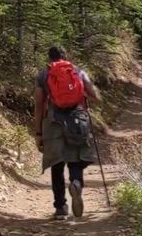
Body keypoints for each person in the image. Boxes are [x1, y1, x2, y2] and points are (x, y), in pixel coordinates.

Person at [34, 47, 100, 220]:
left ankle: (61, 207)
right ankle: (76, 182)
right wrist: (85, 94)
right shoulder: (78, 71)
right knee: (76, 158)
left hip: (54, 122)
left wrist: (38, 132)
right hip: (77, 119)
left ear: (49, 58)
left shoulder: (43, 75)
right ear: (65, 56)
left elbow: (39, 104)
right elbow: (95, 95)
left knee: (57, 164)